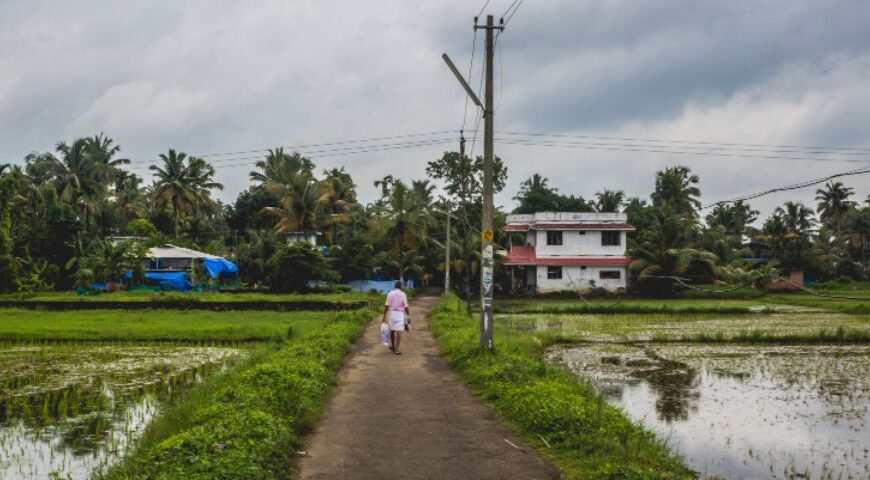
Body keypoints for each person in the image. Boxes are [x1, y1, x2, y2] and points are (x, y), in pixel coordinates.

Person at [382, 280, 410, 354]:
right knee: (399, 332)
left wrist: (384, 316)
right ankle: (396, 349)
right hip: (400, 314)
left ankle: (393, 346)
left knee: (392, 330)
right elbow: (406, 307)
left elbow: (386, 305)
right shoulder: (403, 294)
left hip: (392, 314)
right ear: (401, 287)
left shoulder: (390, 293)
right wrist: (408, 316)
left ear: (395, 286)